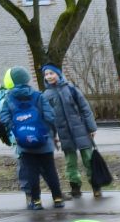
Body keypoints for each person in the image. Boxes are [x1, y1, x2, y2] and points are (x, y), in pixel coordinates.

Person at [0, 65, 64, 211]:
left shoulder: (9, 98)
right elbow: (50, 116)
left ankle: (36, 201)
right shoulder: (38, 96)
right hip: (44, 141)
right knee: (50, 170)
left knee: (31, 173)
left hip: (24, 142)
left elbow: (4, 119)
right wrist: (46, 131)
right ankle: (58, 198)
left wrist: (16, 129)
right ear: (27, 79)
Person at [41, 63, 101, 202]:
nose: (49, 76)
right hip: (64, 134)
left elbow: (85, 108)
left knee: (88, 158)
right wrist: (52, 136)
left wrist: (91, 127)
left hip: (81, 131)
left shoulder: (71, 89)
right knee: (70, 163)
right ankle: (75, 187)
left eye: (51, 73)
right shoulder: (46, 95)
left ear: (58, 74)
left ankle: (96, 186)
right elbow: (48, 118)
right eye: (46, 74)